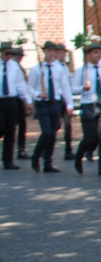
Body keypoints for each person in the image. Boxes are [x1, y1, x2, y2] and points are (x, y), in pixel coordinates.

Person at [73, 41, 101, 176]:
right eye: (95, 53)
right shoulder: (82, 71)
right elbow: (73, 88)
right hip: (88, 105)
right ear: (89, 55)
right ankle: (79, 156)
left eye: (100, 53)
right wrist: (83, 88)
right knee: (90, 138)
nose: (98, 56)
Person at [28, 41, 72, 173]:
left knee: (52, 134)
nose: (51, 53)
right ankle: (36, 156)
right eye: (49, 51)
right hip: (43, 103)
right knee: (46, 132)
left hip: (55, 103)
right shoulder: (37, 69)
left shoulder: (59, 69)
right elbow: (29, 87)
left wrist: (69, 104)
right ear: (45, 52)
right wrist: (38, 94)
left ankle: (48, 162)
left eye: (53, 51)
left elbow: (65, 87)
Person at [0, 42, 33, 170]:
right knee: (1, 127)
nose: (9, 56)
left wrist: (28, 101)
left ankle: (8, 160)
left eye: (10, 54)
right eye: (6, 53)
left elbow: (20, 85)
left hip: (11, 100)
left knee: (11, 130)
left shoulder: (14, 66)